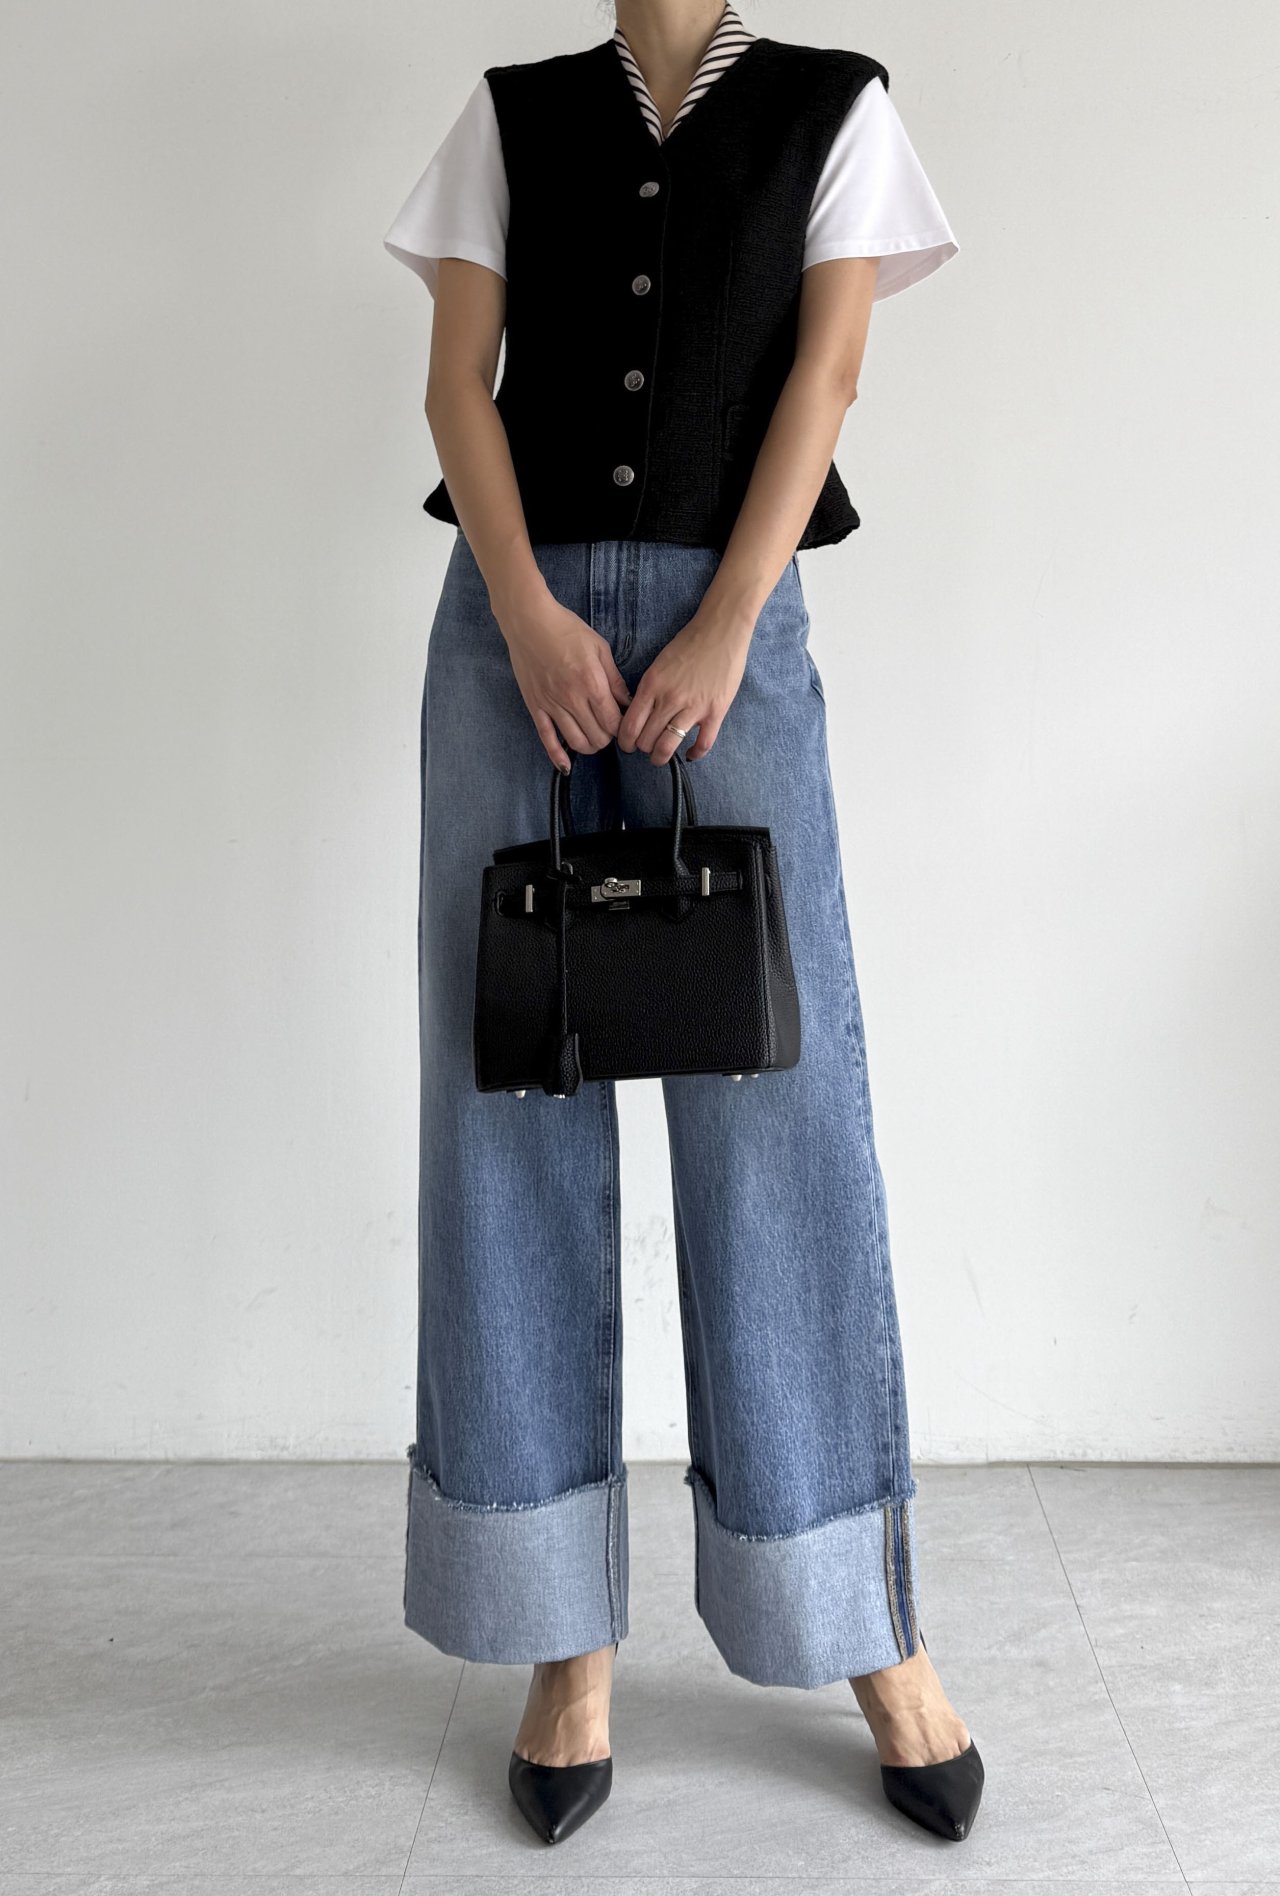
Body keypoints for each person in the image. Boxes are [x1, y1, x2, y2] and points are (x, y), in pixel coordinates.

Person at [383, 0, 981, 1849]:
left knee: (778, 1116)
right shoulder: (510, 115)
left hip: (739, 642)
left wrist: (726, 620)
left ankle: (857, 1621)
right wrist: (526, 616)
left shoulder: (831, 109)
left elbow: (828, 376)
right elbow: (456, 388)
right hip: (514, 649)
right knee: (510, 1112)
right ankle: (558, 1640)